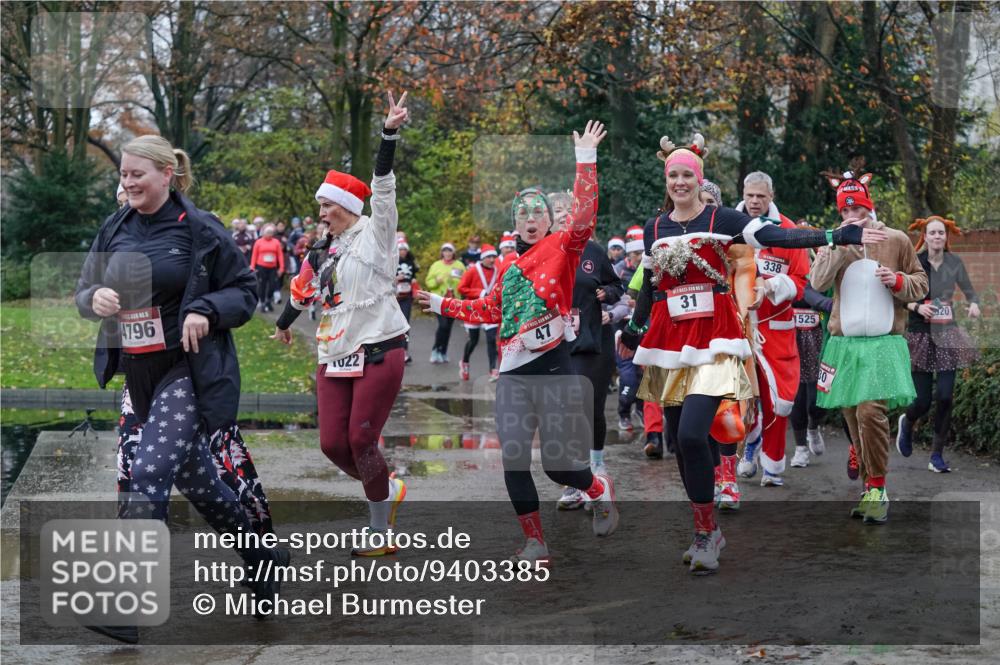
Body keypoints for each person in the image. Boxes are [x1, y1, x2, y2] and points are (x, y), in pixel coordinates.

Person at [618, 135, 888, 573]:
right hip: (669, 345)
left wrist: (834, 235)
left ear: (699, 178)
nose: (681, 182)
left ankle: (707, 535)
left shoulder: (721, 218)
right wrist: (633, 328)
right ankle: (706, 526)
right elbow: (651, 285)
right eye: (674, 175)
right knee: (681, 446)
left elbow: (778, 234)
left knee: (691, 434)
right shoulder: (654, 228)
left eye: (688, 174)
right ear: (666, 181)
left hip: (716, 341)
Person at [75, 135, 287, 643]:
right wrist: (95, 297)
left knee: (148, 472)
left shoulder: (200, 229)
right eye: (122, 176)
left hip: (186, 371)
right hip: (137, 375)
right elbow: (83, 291)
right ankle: (264, 558)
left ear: (167, 175)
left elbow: (245, 291)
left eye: (137, 176)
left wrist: (205, 309)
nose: (127, 184)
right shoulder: (115, 226)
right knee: (200, 484)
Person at [417, 120, 617, 564]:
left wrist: (586, 159)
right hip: (512, 375)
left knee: (559, 467)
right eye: (522, 214)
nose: (530, 219)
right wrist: (438, 302)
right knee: (513, 459)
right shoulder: (507, 268)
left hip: (555, 370)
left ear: (549, 220)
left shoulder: (565, 248)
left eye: (537, 213)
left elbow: (583, 215)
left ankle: (597, 488)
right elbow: (488, 312)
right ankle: (535, 542)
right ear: (514, 224)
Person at [272, 90, 411, 556]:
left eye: (327, 207)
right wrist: (284, 323)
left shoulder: (376, 232)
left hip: (379, 347)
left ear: (349, 205)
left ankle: (379, 531)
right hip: (334, 353)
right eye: (319, 209)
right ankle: (386, 487)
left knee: (361, 437)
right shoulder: (321, 249)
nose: (321, 214)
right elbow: (301, 289)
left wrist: (388, 133)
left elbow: (384, 184)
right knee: (333, 444)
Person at [810, 171, 927, 524]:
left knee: (869, 413)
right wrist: (838, 245)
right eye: (844, 212)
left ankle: (878, 488)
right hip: (843, 346)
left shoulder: (896, 240)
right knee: (851, 417)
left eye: (856, 210)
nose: (850, 217)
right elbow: (815, 283)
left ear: (868, 208)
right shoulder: (835, 242)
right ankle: (868, 487)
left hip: (882, 344)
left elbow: (920, 283)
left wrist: (898, 281)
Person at [734, 171, 809, 487]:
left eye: (761, 197)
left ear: (771, 196)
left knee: (777, 400)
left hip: (775, 330)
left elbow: (802, 282)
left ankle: (773, 466)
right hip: (736, 328)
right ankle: (750, 443)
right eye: (750, 195)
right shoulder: (728, 227)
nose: (754, 201)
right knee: (738, 398)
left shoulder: (789, 231)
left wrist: (772, 285)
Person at [897, 216, 981, 472]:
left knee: (945, 396)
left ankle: (937, 455)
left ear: (946, 237)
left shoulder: (954, 262)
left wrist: (973, 303)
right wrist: (917, 307)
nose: (937, 237)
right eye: (932, 233)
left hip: (947, 334)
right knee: (922, 401)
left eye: (941, 233)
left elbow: (968, 289)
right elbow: (898, 295)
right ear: (925, 235)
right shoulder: (915, 262)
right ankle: (907, 423)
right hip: (921, 334)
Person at [556, 234, 625, 510]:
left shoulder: (593, 251)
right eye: (559, 217)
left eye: (568, 215)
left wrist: (607, 293)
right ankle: (576, 477)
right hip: (558, 342)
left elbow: (616, 285)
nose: (566, 222)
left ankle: (595, 469)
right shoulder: (545, 251)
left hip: (593, 341)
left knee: (589, 407)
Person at [614, 226, 647, 433]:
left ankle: (642, 410)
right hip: (622, 327)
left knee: (645, 373)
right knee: (628, 375)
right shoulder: (618, 270)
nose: (638, 257)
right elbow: (608, 297)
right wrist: (624, 306)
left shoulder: (650, 267)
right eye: (634, 254)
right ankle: (624, 413)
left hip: (645, 326)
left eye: (641, 253)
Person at [457, 244, 499, 380]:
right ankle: (465, 362)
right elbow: (461, 288)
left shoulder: (497, 271)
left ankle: (493, 369)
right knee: (473, 341)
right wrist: (479, 292)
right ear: (483, 258)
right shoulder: (473, 271)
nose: (492, 260)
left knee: (492, 339)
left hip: (490, 310)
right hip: (474, 310)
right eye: (489, 257)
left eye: (494, 256)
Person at [424, 242, 465, 363]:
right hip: (438, 300)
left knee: (448, 328)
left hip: (454, 301)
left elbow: (466, 281)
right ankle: (435, 350)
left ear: (453, 253)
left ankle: (443, 352)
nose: (447, 253)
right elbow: (428, 281)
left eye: (449, 251)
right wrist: (436, 281)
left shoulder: (460, 265)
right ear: (442, 253)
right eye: (445, 251)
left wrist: (457, 282)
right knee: (443, 325)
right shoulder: (436, 265)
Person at [395, 234, 420, 363]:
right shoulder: (390, 261)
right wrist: (395, 279)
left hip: (407, 296)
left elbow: (414, 278)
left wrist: (415, 287)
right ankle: (392, 351)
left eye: (404, 249)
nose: (402, 251)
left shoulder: (411, 262)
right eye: (400, 249)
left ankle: (404, 351)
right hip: (393, 297)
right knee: (393, 324)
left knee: (405, 324)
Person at [250, 224, 285, 312]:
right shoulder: (258, 242)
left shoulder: (276, 242)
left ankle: (268, 301)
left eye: (271, 232)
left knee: (272, 286)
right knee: (262, 285)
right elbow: (254, 255)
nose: (270, 234)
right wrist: (252, 267)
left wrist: (281, 268)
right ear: (263, 233)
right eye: (268, 232)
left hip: (272, 268)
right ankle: (262, 302)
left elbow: (280, 255)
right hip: (261, 267)